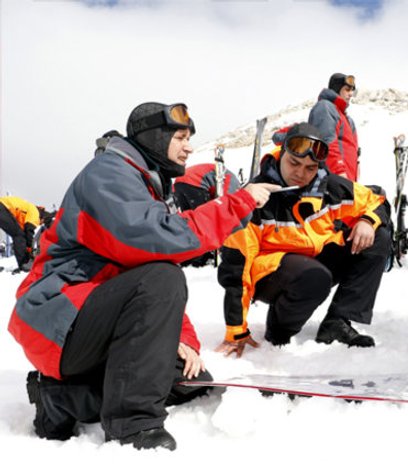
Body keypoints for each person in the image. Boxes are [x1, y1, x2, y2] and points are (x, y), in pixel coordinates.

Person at [8, 102, 278, 450]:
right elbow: (158, 243)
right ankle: (132, 426)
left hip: (89, 319)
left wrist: (185, 342)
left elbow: (142, 273)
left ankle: (60, 398)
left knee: (182, 379)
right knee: (163, 278)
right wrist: (237, 204)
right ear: (155, 137)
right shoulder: (108, 174)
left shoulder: (143, 184)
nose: (189, 146)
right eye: (180, 136)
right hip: (56, 317)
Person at [216, 122, 391, 357]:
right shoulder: (255, 199)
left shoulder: (329, 187)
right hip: (271, 273)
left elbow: (376, 200)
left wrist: (367, 221)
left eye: (310, 168)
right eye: (294, 163)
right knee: (313, 277)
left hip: (314, 260)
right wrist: (236, 329)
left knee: (378, 235)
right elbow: (236, 269)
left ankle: (337, 323)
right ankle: (279, 330)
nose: (300, 173)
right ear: (281, 155)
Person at [174, 162, 241, 266]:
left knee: (190, 223)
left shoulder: (224, 174)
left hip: (179, 183)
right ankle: (202, 257)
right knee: (204, 223)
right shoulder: (234, 183)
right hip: (195, 183)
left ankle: (189, 255)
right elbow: (224, 201)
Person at [308, 73, 360, 180]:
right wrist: (340, 174)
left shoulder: (347, 119)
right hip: (333, 181)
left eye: (352, 91)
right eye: (347, 89)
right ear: (337, 89)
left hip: (347, 181)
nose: (350, 94)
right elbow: (327, 144)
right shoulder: (325, 108)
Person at [0, 195, 46, 272]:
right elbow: (29, 231)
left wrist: (27, 248)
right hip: (2, 207)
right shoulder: (35, 213)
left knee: (19, 235)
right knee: (18, 235)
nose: (38, 224)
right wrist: (31, 250)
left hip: (3, 207)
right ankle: (23, 265)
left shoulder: (25, 212)